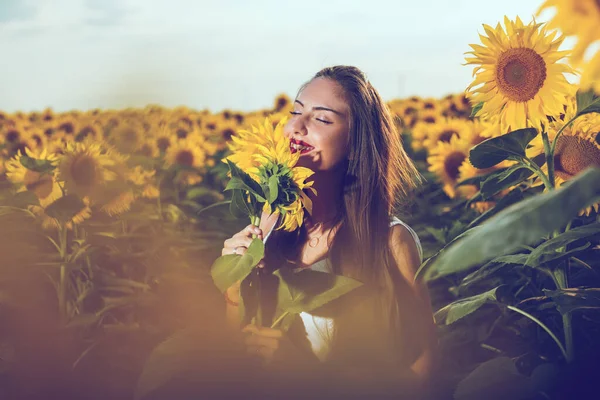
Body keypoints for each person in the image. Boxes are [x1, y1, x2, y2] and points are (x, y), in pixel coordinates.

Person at [220, 65, 439, 399]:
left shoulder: (389, 243)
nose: (297, 126)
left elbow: (422, 374)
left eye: (322, 119)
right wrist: (234, 284)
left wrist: (307, 376)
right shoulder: (265, 228)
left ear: (356, 141)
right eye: (296, 111)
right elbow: (233, 355)